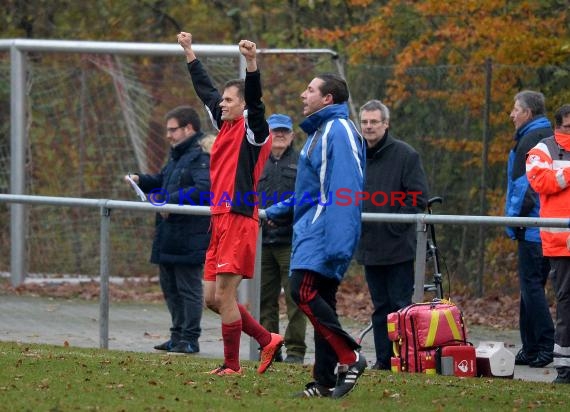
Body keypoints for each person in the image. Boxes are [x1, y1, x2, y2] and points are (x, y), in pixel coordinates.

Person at [177, 32, 283, 376]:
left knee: (223, 297)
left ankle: (232, 366)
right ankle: (267, 339)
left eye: (228, 100)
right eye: (222, 100)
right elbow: (205, 89)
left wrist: (252, 65)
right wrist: (190, 52)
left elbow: (256, 99)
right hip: (218, 218)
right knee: (211, 298)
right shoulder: (222, 124)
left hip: (239, 217)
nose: (221, 104)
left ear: (243, 105)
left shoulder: (254, 131)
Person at [265, 73, 366, 398]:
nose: (302, 94)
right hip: (314, 230)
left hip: (324, 234)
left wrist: (338, 240)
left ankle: (350, 356)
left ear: (328, 99)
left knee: (302, 291)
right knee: (323, 304)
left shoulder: (339, 130)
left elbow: (345, 190)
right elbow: (308, 193)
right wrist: (273, 213)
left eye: (309, 89)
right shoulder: (319, 132)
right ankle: (323, 382)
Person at [125, 105, 210, 354]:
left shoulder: (201, 155)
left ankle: (190, 338)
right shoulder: (177, 155)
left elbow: (204, 189)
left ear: (188, 129)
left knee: (188, 288)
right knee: (170, 288)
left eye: (173, 130)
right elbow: (163, 180)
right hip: (169, 234)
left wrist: (171, 200)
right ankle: (176, 335)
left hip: (189, 236)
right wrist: (140, 179)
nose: (169, 135)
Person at [355, 99, 429, 370]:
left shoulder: (405, 155)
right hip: (369, 246)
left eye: (374, 122)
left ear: (386, 124)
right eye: (365, 122)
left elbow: (418, 196)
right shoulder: (356, 154)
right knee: (379, 308)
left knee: (400, 307)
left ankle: (407, 360)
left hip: (397, 247)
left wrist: (393, 225)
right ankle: (384, 361)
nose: (369, 127)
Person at [505, 90, 554, 368]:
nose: (512, 114)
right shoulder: (543, 136)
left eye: (515, 109)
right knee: (530, 287)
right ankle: (531, 346)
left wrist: (513, 222)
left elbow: (525, 189)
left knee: (533, 287)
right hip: (541, 227)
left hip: (533, 228)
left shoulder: (531, 139)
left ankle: (546, 344)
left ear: (528, 113)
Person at [526, 104, 570, 383]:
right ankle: (565, 366)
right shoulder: (544, 149)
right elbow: (540, 181)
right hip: (561, 242)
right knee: (566, 302)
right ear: (559, 126)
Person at [258, 113, 307, 364]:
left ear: (291, 135)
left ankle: (296, 350)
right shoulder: (257, 162)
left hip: (290, 240)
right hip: (263, 241)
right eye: (275, 131)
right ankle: (269, 346)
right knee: (264, 300)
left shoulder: (302, 163)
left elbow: (306, 198)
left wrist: (282, 218)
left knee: (295, 298)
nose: (279, 135)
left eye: (283, 131)